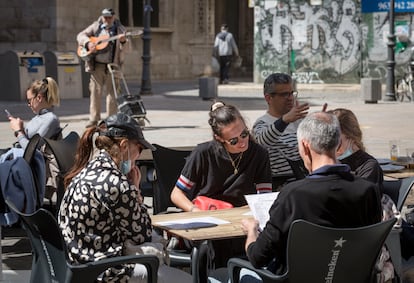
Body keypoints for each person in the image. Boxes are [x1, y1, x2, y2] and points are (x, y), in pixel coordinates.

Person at [240, 111, 382, 281]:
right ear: (337, 145)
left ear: (305, 147)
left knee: (239, 272)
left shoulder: (293, 195)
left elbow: (258, 257)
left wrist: (251, 231)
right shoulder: (368, 190)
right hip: (351, 277)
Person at [58, 113, 192, 283]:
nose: (138, 156)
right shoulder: (117, 184)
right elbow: (142, 235)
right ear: (123, 146)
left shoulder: (87, 171)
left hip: (80, 266)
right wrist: (135, 191)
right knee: (188, 280)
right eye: (139, 149)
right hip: (106, 272)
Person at [170, 101, 272, 212]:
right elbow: (177, 194)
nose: (242, 142)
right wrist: (194, 210)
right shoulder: (203, 153)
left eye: (244, 134)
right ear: (219, 138)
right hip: (208, 211)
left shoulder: (259, 153)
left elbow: (264, 196)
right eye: (233, 141)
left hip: (241, 214)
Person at [253, 73, 312, 190]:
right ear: (268, 98)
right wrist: (284, 121)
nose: (290, 98)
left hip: (305, 184)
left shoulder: (301, 121)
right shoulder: (262, 124)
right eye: (284, 94)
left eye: (291, 93)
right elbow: (262, 142)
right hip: (280, 187)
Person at [77, 8, 128, 128]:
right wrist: (88, 43)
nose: (107, 19)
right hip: (97, 66)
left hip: (113, 66)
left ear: (114, 17)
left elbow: (127, 50)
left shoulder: (120, 29)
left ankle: (111, 119)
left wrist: (124, 41)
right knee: (95, 92)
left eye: (109, 17)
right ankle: (94, 119)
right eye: (105, 17)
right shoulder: (96, 27)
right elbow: (80, 35)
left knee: (112, 94)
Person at [2, 77, 61, 154]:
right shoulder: (40, 116)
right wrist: (21, 128)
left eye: (29, 100)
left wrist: (18, 131)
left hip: (26, 160)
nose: (29, 104)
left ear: (39, 98)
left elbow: (32, 151)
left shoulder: (50, 119)